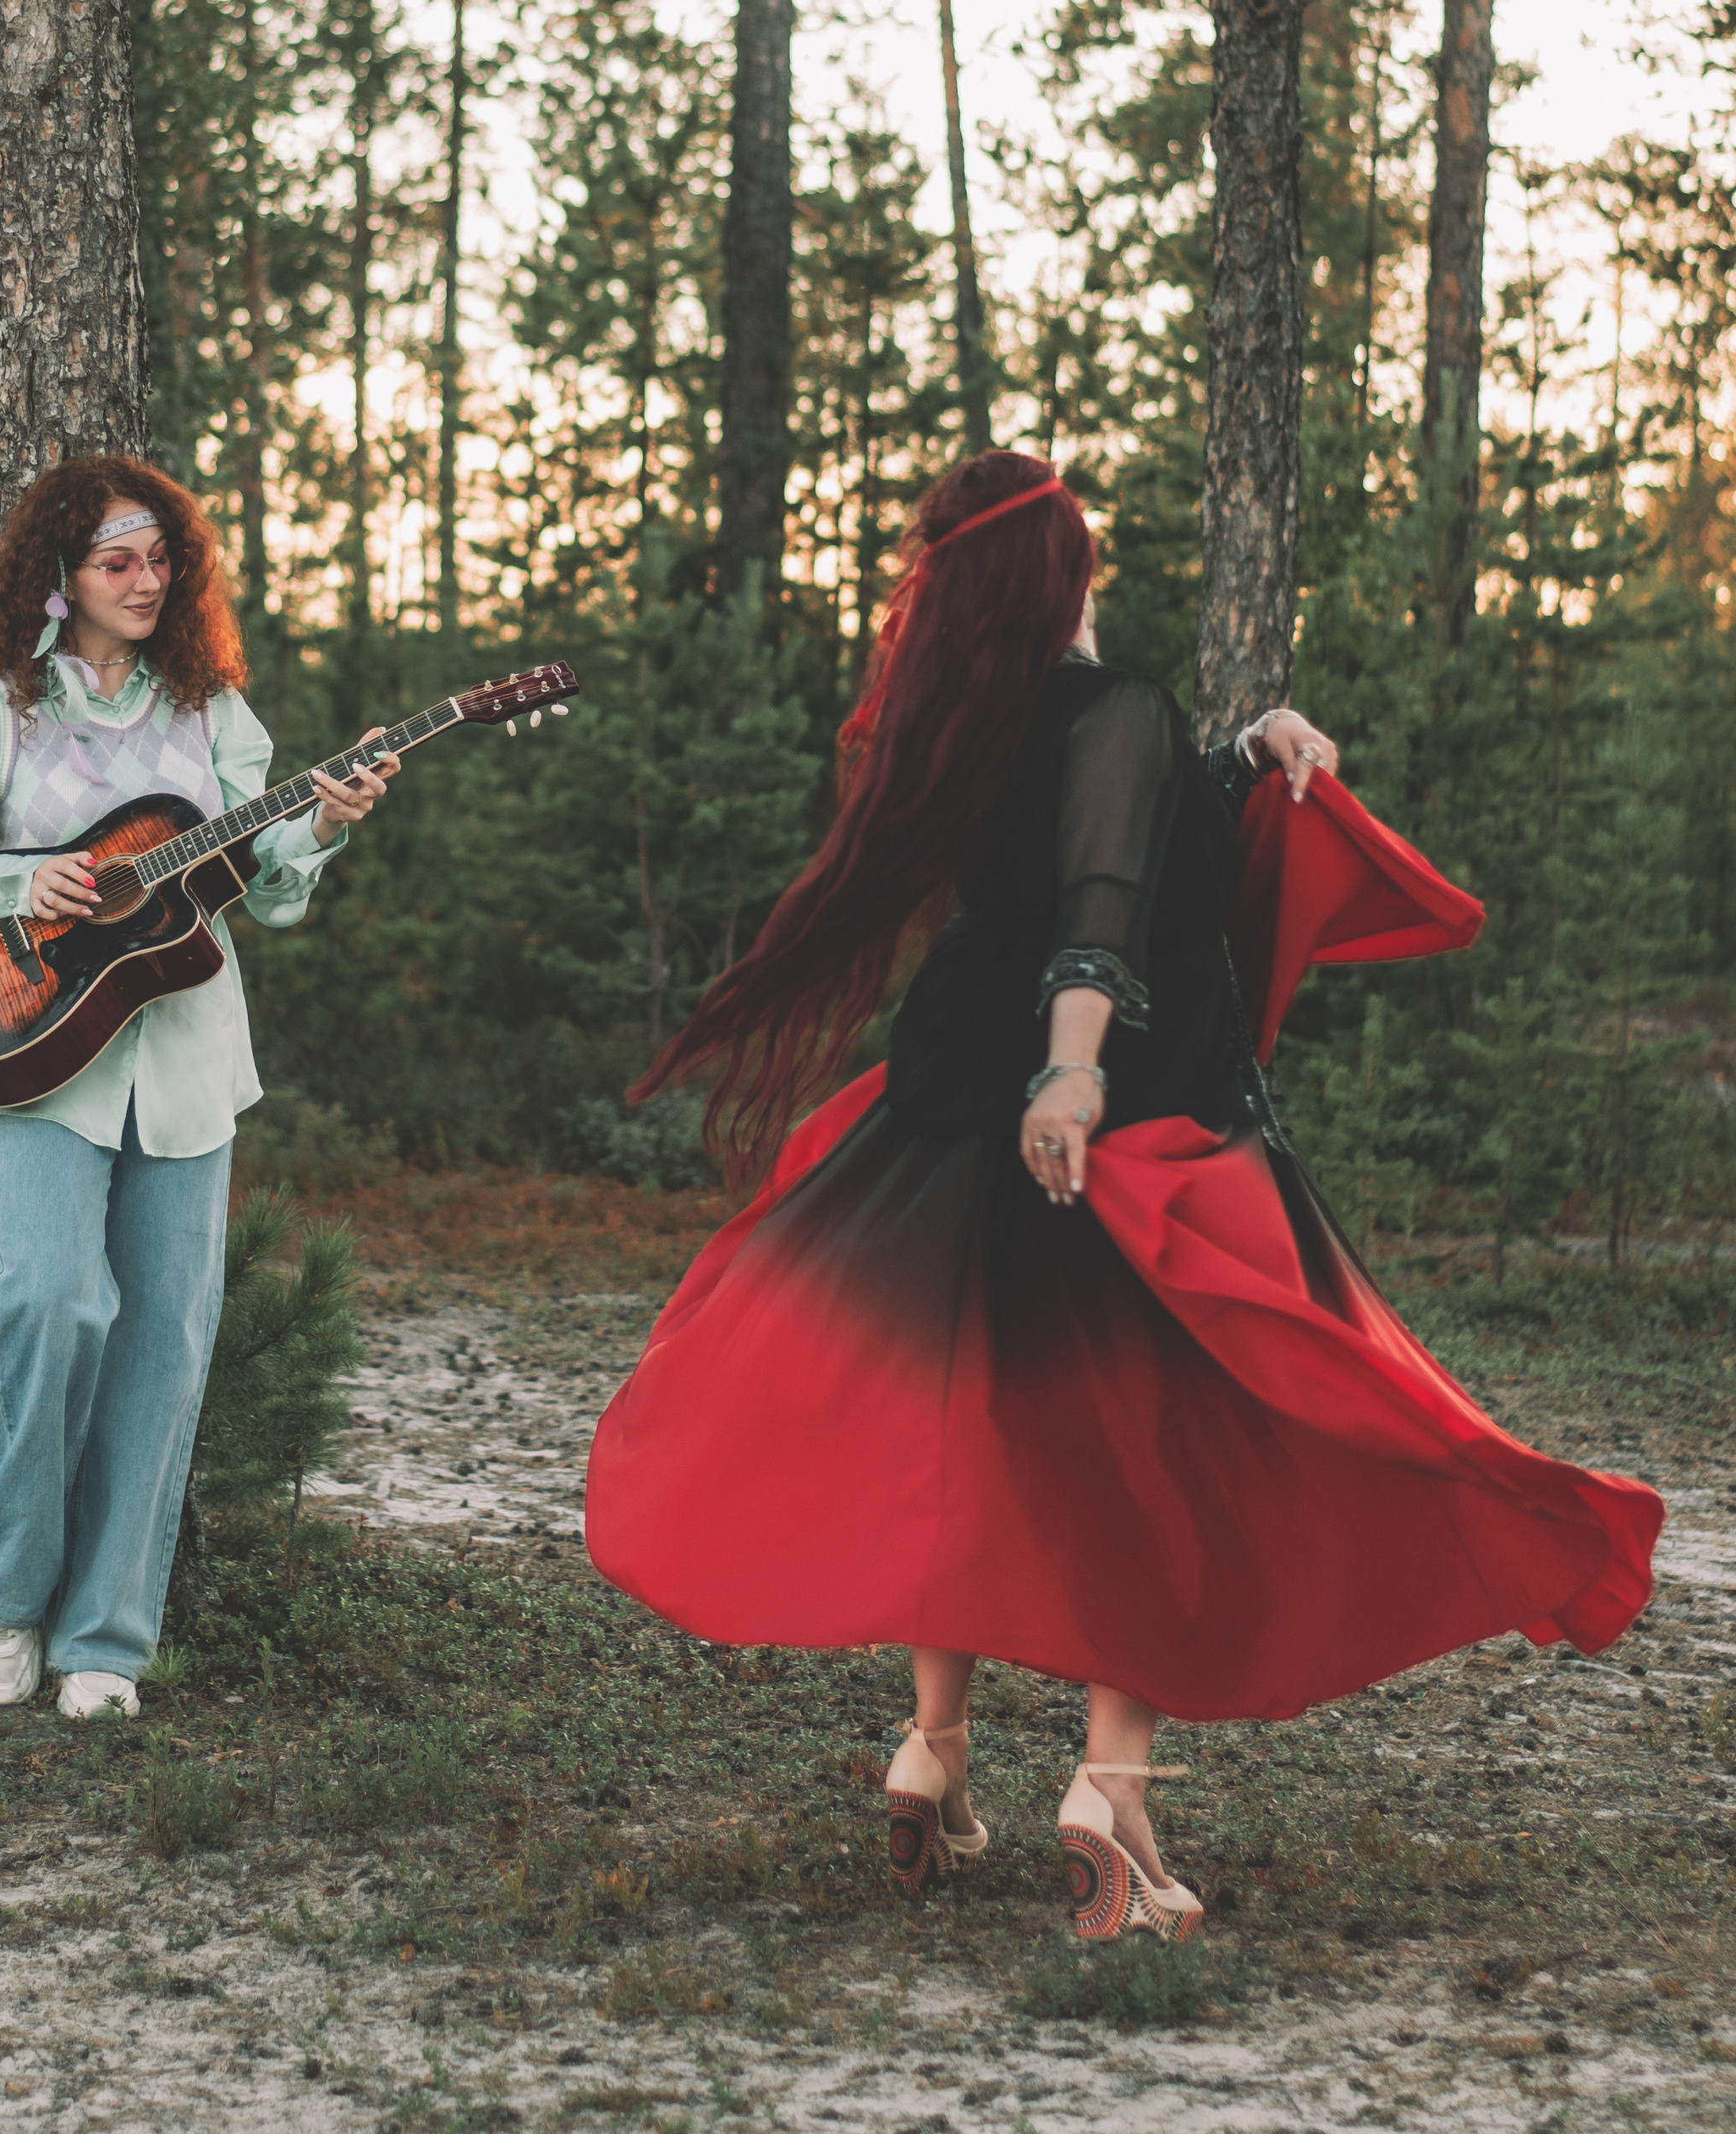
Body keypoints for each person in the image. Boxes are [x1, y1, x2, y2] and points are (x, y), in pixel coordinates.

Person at [585, 450, 1660, 1938]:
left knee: (976, 1429)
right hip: (1099, 1114)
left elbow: (1106, 823)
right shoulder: (1116, 708)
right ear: (1067, 572)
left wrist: (1234, 759)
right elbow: (1101, 895)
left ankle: (932, 1753)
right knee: (1144, 1446)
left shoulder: (957, 729)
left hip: (942, 1097)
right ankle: (1111, 1793)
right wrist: (1076, 1070)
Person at [0, 454, 397, 1721]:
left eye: (162, 556)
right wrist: (15, 884)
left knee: (164, 1341)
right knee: (49, 1305)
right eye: (120, 559)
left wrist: (316, 830)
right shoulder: (2, 710)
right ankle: (3, 1588)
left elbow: (264, 886)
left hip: (188, 1066)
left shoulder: (213, 715)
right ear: (62, 575)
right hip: (38, 1059)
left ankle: (105, 1637)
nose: (148, 579)